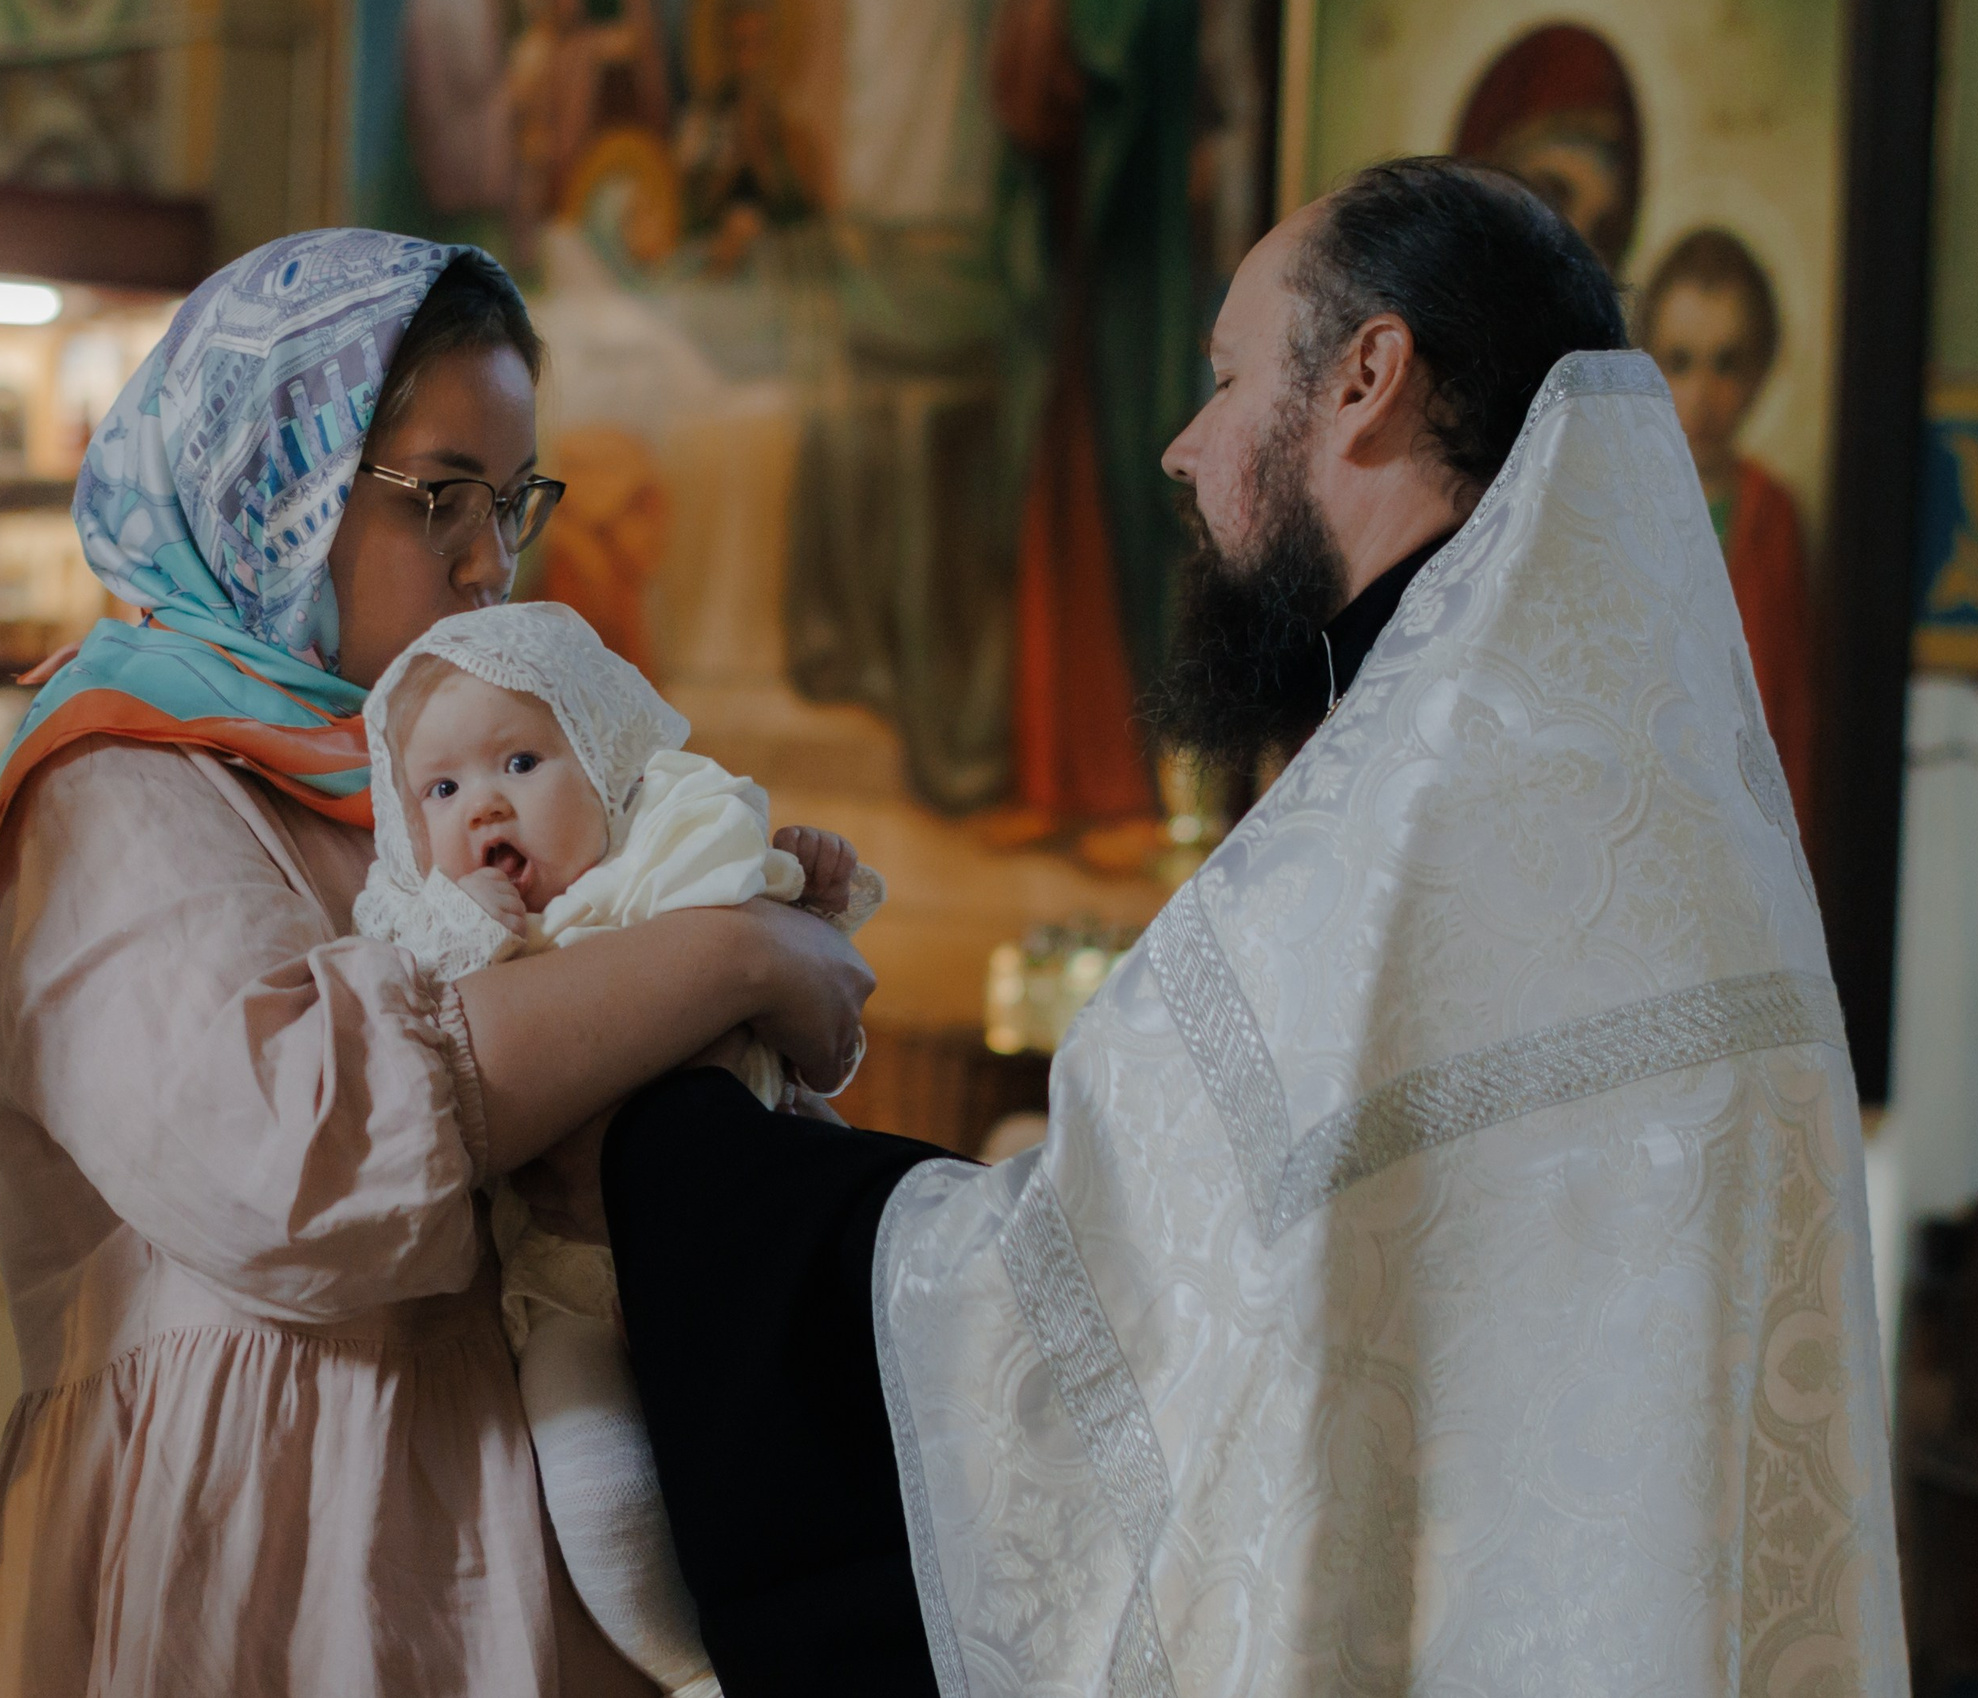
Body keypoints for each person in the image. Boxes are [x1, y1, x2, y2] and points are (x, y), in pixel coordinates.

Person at [596, 158, 1907, 1695]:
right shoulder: (1653, 799)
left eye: (1226, 377)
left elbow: (1066, 1335)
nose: (1182, 444)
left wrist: (691, 1155)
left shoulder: (1412, 818)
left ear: (1368, 377)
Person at [0, 230, 874, 1696]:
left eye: (511, 502)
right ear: (274, 485)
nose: (486, 559)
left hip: (533, 1550)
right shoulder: (115, 792)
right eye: (439, 496)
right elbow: (295, 1158)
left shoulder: (450, 772)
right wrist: (733, 950)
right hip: (263, 1562)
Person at [351, 600, 879, 1698]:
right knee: (589, 1469)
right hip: (565, 1278)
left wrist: (813, 898)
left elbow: (818, 1044)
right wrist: (475, 923)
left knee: (798, 1454)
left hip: (736, 1239)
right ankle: (686, 1671)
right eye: (438, 790)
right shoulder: (437, 927)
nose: (482, 802)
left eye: (522, 759)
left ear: (606, 760)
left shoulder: (675, 872)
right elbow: (417, 1038)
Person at [1638, 226, 1818, 841]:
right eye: (1679, 362)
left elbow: (1792, 713)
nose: (1701, 397)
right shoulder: (1618, 501)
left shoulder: (1773, 515)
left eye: (1727, 364)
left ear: (1761, 369)